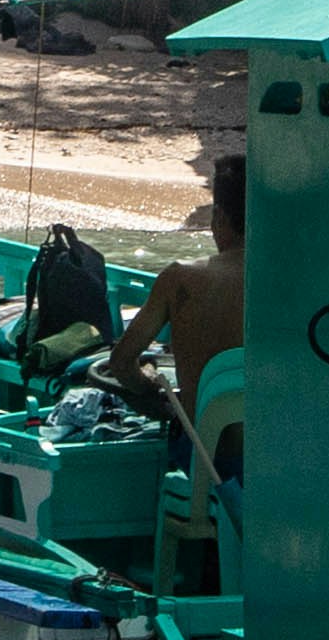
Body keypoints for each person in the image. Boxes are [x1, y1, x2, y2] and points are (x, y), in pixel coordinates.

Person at [94, 153, 252, 454]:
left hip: (207, 456)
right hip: (277, 458)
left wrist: (151, 385)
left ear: (218, 216)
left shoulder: (180, 278)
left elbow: (121, 363)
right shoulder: (288, 282)